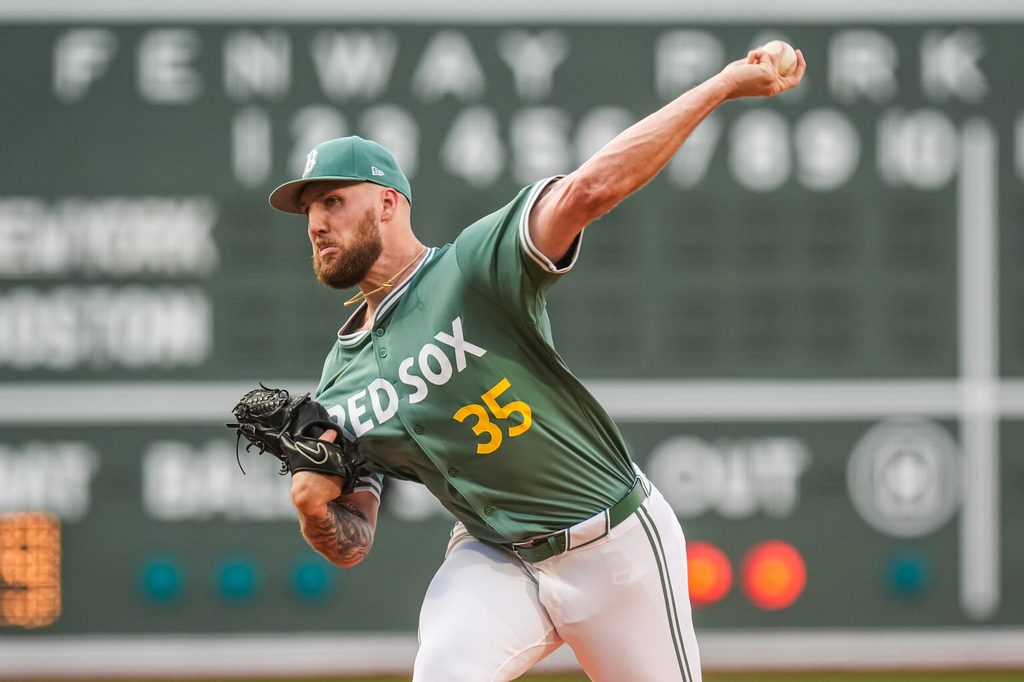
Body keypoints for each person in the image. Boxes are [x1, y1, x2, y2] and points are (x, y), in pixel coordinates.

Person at [267, 45, 805, 682]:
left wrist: (721, 85)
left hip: (613, 543)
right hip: (496, 559)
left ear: (388, 203)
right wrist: (314, 507)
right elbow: (353, 541)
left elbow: (590, 188)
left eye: (333, 201)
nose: (316, 223)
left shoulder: (472, 268)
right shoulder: (339, 382)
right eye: (308, 210)